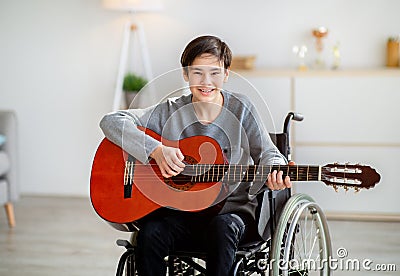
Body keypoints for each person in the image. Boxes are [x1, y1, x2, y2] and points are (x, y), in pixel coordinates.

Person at [100, 35, 292, 275]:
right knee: (150, 232)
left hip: (230, 214)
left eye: (214, 73)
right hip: (180, 214)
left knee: (222, 229)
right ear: (186, 74)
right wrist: (156, 150)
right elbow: (111, 121)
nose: (206, 81)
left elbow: (269, 154)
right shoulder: (170, 110)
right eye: (197, 72)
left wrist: (275, 169)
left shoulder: (241, 109)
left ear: (226, 75)